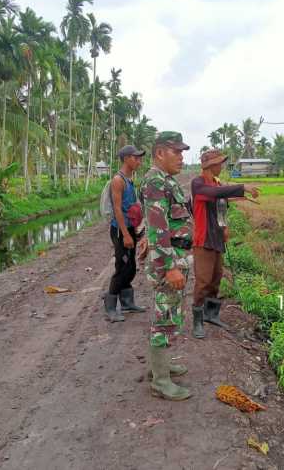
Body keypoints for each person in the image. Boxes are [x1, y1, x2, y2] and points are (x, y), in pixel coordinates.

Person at [141, 131, 193, 400]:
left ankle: (160, 366)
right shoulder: (155, 182)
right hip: (168, 260)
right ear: (160, 153)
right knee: (163, 317)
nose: (182, 157)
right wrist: (169, 267)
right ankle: (160, 381)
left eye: (183, 152)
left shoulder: (165, 180)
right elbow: (158, 228)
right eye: (177, 152)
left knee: (171, 313)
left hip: (177, 256)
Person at [190, 149, 259, 338]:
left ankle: (211, 314)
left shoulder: (217, 182)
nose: (221, 166)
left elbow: (221, 206)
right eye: (220, 163)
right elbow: (213, 193)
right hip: (203, 239)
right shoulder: (198, 183)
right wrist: (242, 187)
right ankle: (197, 321)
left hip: (217, 237)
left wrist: (225, 227)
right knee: (203, 281)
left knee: (216, 278)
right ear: (211, 165)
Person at [104, 145, 147, 323]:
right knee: (122, 269)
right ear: (127, 158)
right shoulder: (118, 180)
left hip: (129, 229)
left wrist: (137, 230)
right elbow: (117, 209)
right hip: (121, 230)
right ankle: (111, 307)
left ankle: (127, 302)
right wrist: (126, 234)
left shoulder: (130, 179)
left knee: (130, 268)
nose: (139, 161)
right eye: (136, 158)